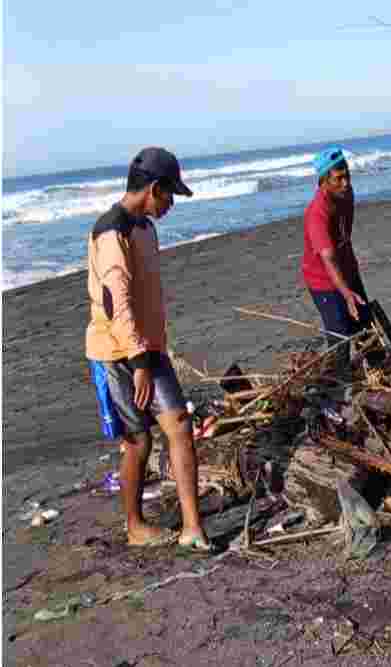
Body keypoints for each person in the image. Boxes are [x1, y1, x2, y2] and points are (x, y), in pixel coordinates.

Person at [85, 147, 211, 550]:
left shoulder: (144, 227)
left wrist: (150, 351)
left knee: (179, 426)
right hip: (116, 354)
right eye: (170, 195)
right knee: (139, 442)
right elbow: (114, 302)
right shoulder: (112, 232)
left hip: (149, 349)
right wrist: (138, 361)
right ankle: (135, 525)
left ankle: (193, 528)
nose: (172, 204)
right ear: (154, 188)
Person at [301, 147, 371, 405]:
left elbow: (343, 239)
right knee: (340, 336)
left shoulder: (347, 193)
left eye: (347, 175)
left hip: (348, 270)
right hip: (323, 281)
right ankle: (336, 396)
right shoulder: (316, 213)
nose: (346, 183)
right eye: (338, 179)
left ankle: (379, 378)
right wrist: (345, 293)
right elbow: (327, 258)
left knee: (366, 325)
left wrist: (352, 285)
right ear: (323, 181)